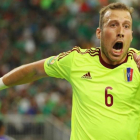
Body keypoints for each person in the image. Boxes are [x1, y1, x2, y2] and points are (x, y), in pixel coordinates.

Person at [0, 2, 140, 140]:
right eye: (113, 24)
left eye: (126, 26)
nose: (120, 32)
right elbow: (34, 70)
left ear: (131, 35)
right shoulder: (77, 60)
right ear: (99, 32)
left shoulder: (137, 63)